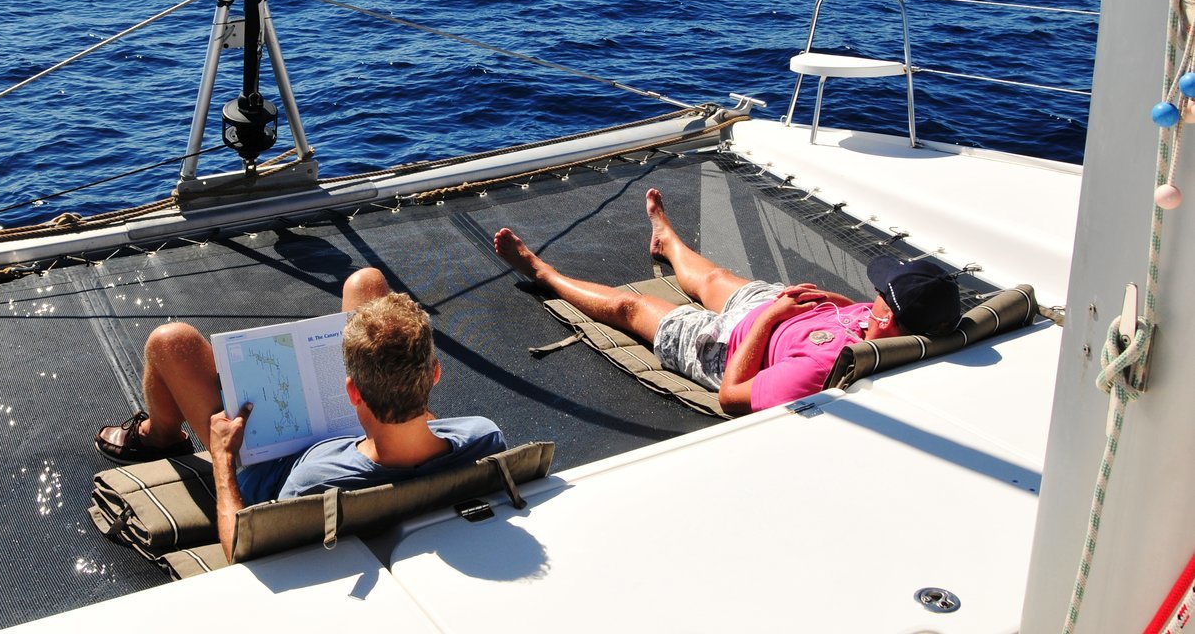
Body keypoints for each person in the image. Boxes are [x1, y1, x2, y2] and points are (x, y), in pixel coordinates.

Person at [95, 266, 505, 561]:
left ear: (351, 392)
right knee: (367, 282)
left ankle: (160, 436)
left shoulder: (314, 485)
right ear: (433, 374)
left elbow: (240, 546)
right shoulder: (484, 437)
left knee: (172, 341)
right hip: (381, 436)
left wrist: (222, 459)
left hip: (274, 458)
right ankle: (399, 396)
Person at [494, 187, 962, 417]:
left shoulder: (822, 371)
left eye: (880, 298)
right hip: (782, 309)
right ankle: (669, 242)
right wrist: (816, 301)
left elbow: (732, 397)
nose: (873, 299)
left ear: (889, 318)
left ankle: (545, 273)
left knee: (631, 308)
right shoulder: (895, 328)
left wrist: (771, 319)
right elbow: (856, 311)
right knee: (714, 276)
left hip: (729, 346)